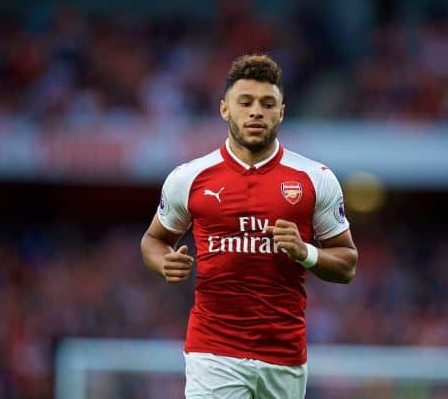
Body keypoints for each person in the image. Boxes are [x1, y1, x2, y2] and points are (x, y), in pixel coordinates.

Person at [140, 54, 358, 399]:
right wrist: (162, 261)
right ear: (225, 109)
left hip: (283, 355)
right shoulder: (189, 177)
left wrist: (306, 252)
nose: (256, 111)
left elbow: (346, 264)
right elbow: (153, 240)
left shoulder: (316, 179)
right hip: (212, 351)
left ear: (281, 112)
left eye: (267, 103)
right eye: (246, 102)